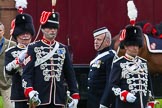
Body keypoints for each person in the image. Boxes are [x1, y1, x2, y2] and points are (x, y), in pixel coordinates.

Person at [21, 11, 80, 108]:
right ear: (43, 29)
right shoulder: (33, 47)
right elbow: (27, 73)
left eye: (55, 28)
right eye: (49, 28)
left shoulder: (63, 48)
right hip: (39, 97)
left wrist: (75, 94)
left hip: (58, 98)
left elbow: (70, 74)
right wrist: (30, 91)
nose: (53, 31)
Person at [109, 25, 153, 108]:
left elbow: (149, 86)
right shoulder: (118, 63)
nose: (135, 48)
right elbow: (112, 85)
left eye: (137, 45)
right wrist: (124, 94)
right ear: (125, 46)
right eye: (132, 45)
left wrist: (150, 102)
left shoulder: (143, 63)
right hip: (125, 105)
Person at [5, 13, 35, 108]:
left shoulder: (37, 49)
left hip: (37, 91)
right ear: (16, 35)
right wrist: (19, 60)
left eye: (27, 33)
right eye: (22, 33)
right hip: (19, 93)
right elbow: (8, 71)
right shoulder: (10, 52)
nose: (25, 36)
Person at [86, 27, 117, 108]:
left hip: (102, 102)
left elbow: (110, 82)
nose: (95, 42)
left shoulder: (110, 56)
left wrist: (104, 103)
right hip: (93, 101)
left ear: (107, 42)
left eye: (99, 40)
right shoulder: (99, 56)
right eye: (95, 39)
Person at [0, 22, 16, 108]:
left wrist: (10, 79)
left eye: (0, 30)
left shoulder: (12, 44)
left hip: (6, 83)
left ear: (3, 31)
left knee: (9, 106)